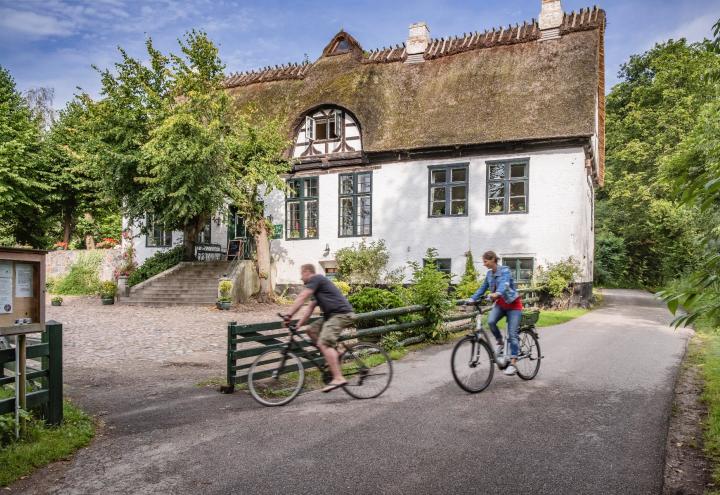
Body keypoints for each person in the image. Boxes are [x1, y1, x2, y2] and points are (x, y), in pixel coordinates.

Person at [283, 264, 355, 392]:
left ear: (306, 272)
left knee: (323, 343)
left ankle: (338, 378)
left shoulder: (316, 279)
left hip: (341, 314)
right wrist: (298, 325)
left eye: (301, 274)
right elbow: (310, 309)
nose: (301, 278)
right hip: (332, 316)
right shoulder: (317, 288)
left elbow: (301, 297)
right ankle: (336, 352)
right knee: (311, 330)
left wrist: (289, 315)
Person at [466, 250, 523, 376]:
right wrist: (472, 299)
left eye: (485, 261)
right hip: (501, 305)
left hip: (513, 306)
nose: (484, 264)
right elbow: (482, 288)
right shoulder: (489, 275)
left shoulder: (505, 270)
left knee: (513, 334)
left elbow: (504, 284)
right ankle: (501, 342)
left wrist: (497, 293)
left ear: (493, 260)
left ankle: (513, 363)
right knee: (491, 321)